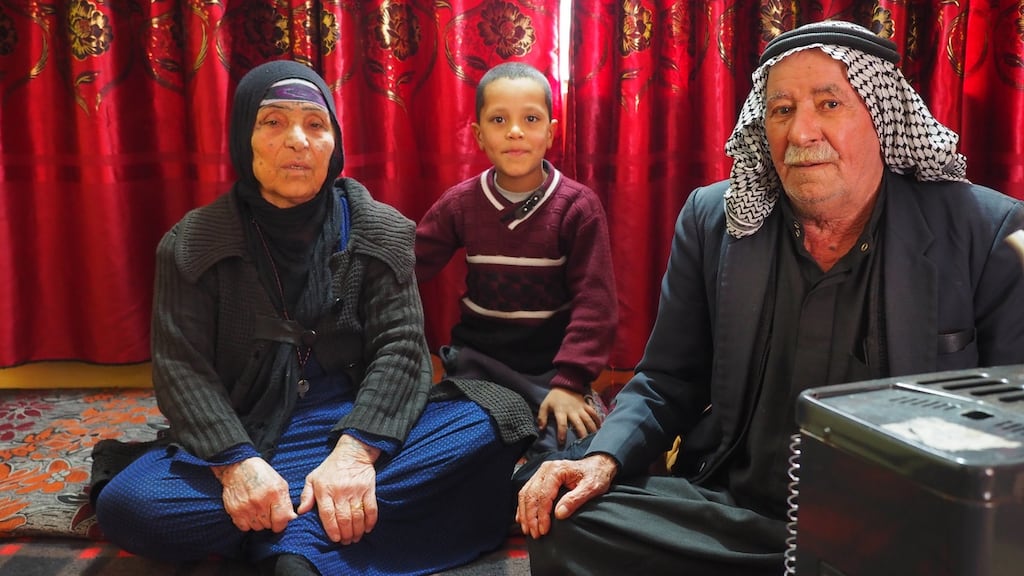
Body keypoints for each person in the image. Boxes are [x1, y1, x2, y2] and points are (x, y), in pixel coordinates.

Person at [515, 20, 1024, 576]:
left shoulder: (984, 232)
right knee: (568, 518)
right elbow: (667, 379)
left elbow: (1008, 426)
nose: (801, 132)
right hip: (738, 512)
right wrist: (601, 457)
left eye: (829, 104)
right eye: (781, 110)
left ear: (882, 118)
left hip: (897, 530)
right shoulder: (715, 220)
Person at [89, 59, 535, 576]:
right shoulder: (191, 244)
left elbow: (401, 351)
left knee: (495, 417)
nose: (298, 140)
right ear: (243, 138)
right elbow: (181, 371)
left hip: (354, 426)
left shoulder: (380, 229)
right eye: (273, 122)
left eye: (315, 124)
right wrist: (237, 466)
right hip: (247, 432)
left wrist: (355, 456)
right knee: (130, 505)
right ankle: (315, 532)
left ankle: (280, 529)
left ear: (333, 144)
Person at [414, 62, 618, 459]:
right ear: (479, 135)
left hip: (550, 367)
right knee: (453, 448)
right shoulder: (461, 203)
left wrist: (570, 381)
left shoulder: (578, 207)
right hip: (478, 362)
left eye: (530, 119)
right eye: (498, 120)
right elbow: (410, 263)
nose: (514, 131)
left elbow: (596, 306)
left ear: (551, 132)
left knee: (572, 451)